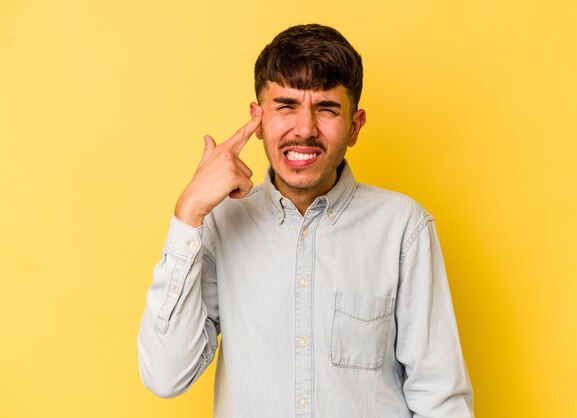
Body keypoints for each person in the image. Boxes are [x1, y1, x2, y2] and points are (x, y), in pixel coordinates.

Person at [138, 23, 474, 417]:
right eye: (286, 106)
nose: (304, 129)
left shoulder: (403, 228)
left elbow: (439, 398)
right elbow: (165, 376)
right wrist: (187, 213)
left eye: (326, 108)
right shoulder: (217, 224)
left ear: (355, 126)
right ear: (258, 119)